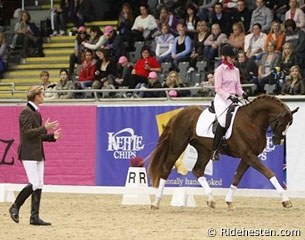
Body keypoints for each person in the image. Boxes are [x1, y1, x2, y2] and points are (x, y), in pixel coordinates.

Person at [9, 85, 61, 226]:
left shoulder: (36, 112)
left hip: (37, 152)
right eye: (42, 94)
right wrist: (45, 128)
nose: (43, 96)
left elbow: (37, 135)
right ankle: (15, 206)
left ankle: (34, 217)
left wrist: (52, 137)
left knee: (39, 184)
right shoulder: (26, 112)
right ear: (36, 96)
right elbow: (27, 133)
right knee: (34, 183)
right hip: (29, 152)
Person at [211, 45, 248, 160]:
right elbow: (218, 88)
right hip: (221, 99)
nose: (233, 59)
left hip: (234, 98)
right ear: (224, 57)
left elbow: (237, 87)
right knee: (222, 121)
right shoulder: (219, 70)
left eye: (234, 57)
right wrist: (229, 97)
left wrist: (243, 93)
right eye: (231, 57)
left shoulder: (236, 70)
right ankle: (214, 150)